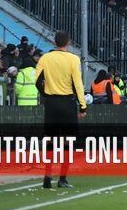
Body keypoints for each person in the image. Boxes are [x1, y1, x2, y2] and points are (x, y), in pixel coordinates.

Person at [34, 30, 87, 189]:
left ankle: (47, 175)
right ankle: (62, 178)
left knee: (50, 139)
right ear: (68, 43)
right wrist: (83, 106)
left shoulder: (45, 58)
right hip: (67, 103)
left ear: (54, 42)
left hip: (51, 102)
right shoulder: (73, 59)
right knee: (68, 141)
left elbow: (37, 80)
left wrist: (46, 93)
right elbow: (78, 84)